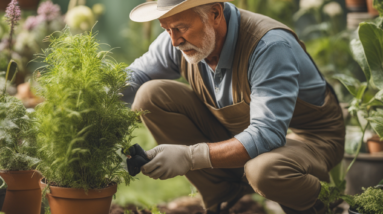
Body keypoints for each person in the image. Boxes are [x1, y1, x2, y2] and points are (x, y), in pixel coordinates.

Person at [123, 0, 345, 213]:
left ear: (215, 14)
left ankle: (321, 204)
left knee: (264, 169)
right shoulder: (179, 38)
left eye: (181, 28)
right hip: (242, 132)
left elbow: (267, 134)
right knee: (150, 96)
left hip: (310, 139)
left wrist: (190, 156)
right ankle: (227, 195)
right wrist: (98, 100)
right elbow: (137, 75)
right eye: (167, 29)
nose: (174, 41)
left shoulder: (269, 45)